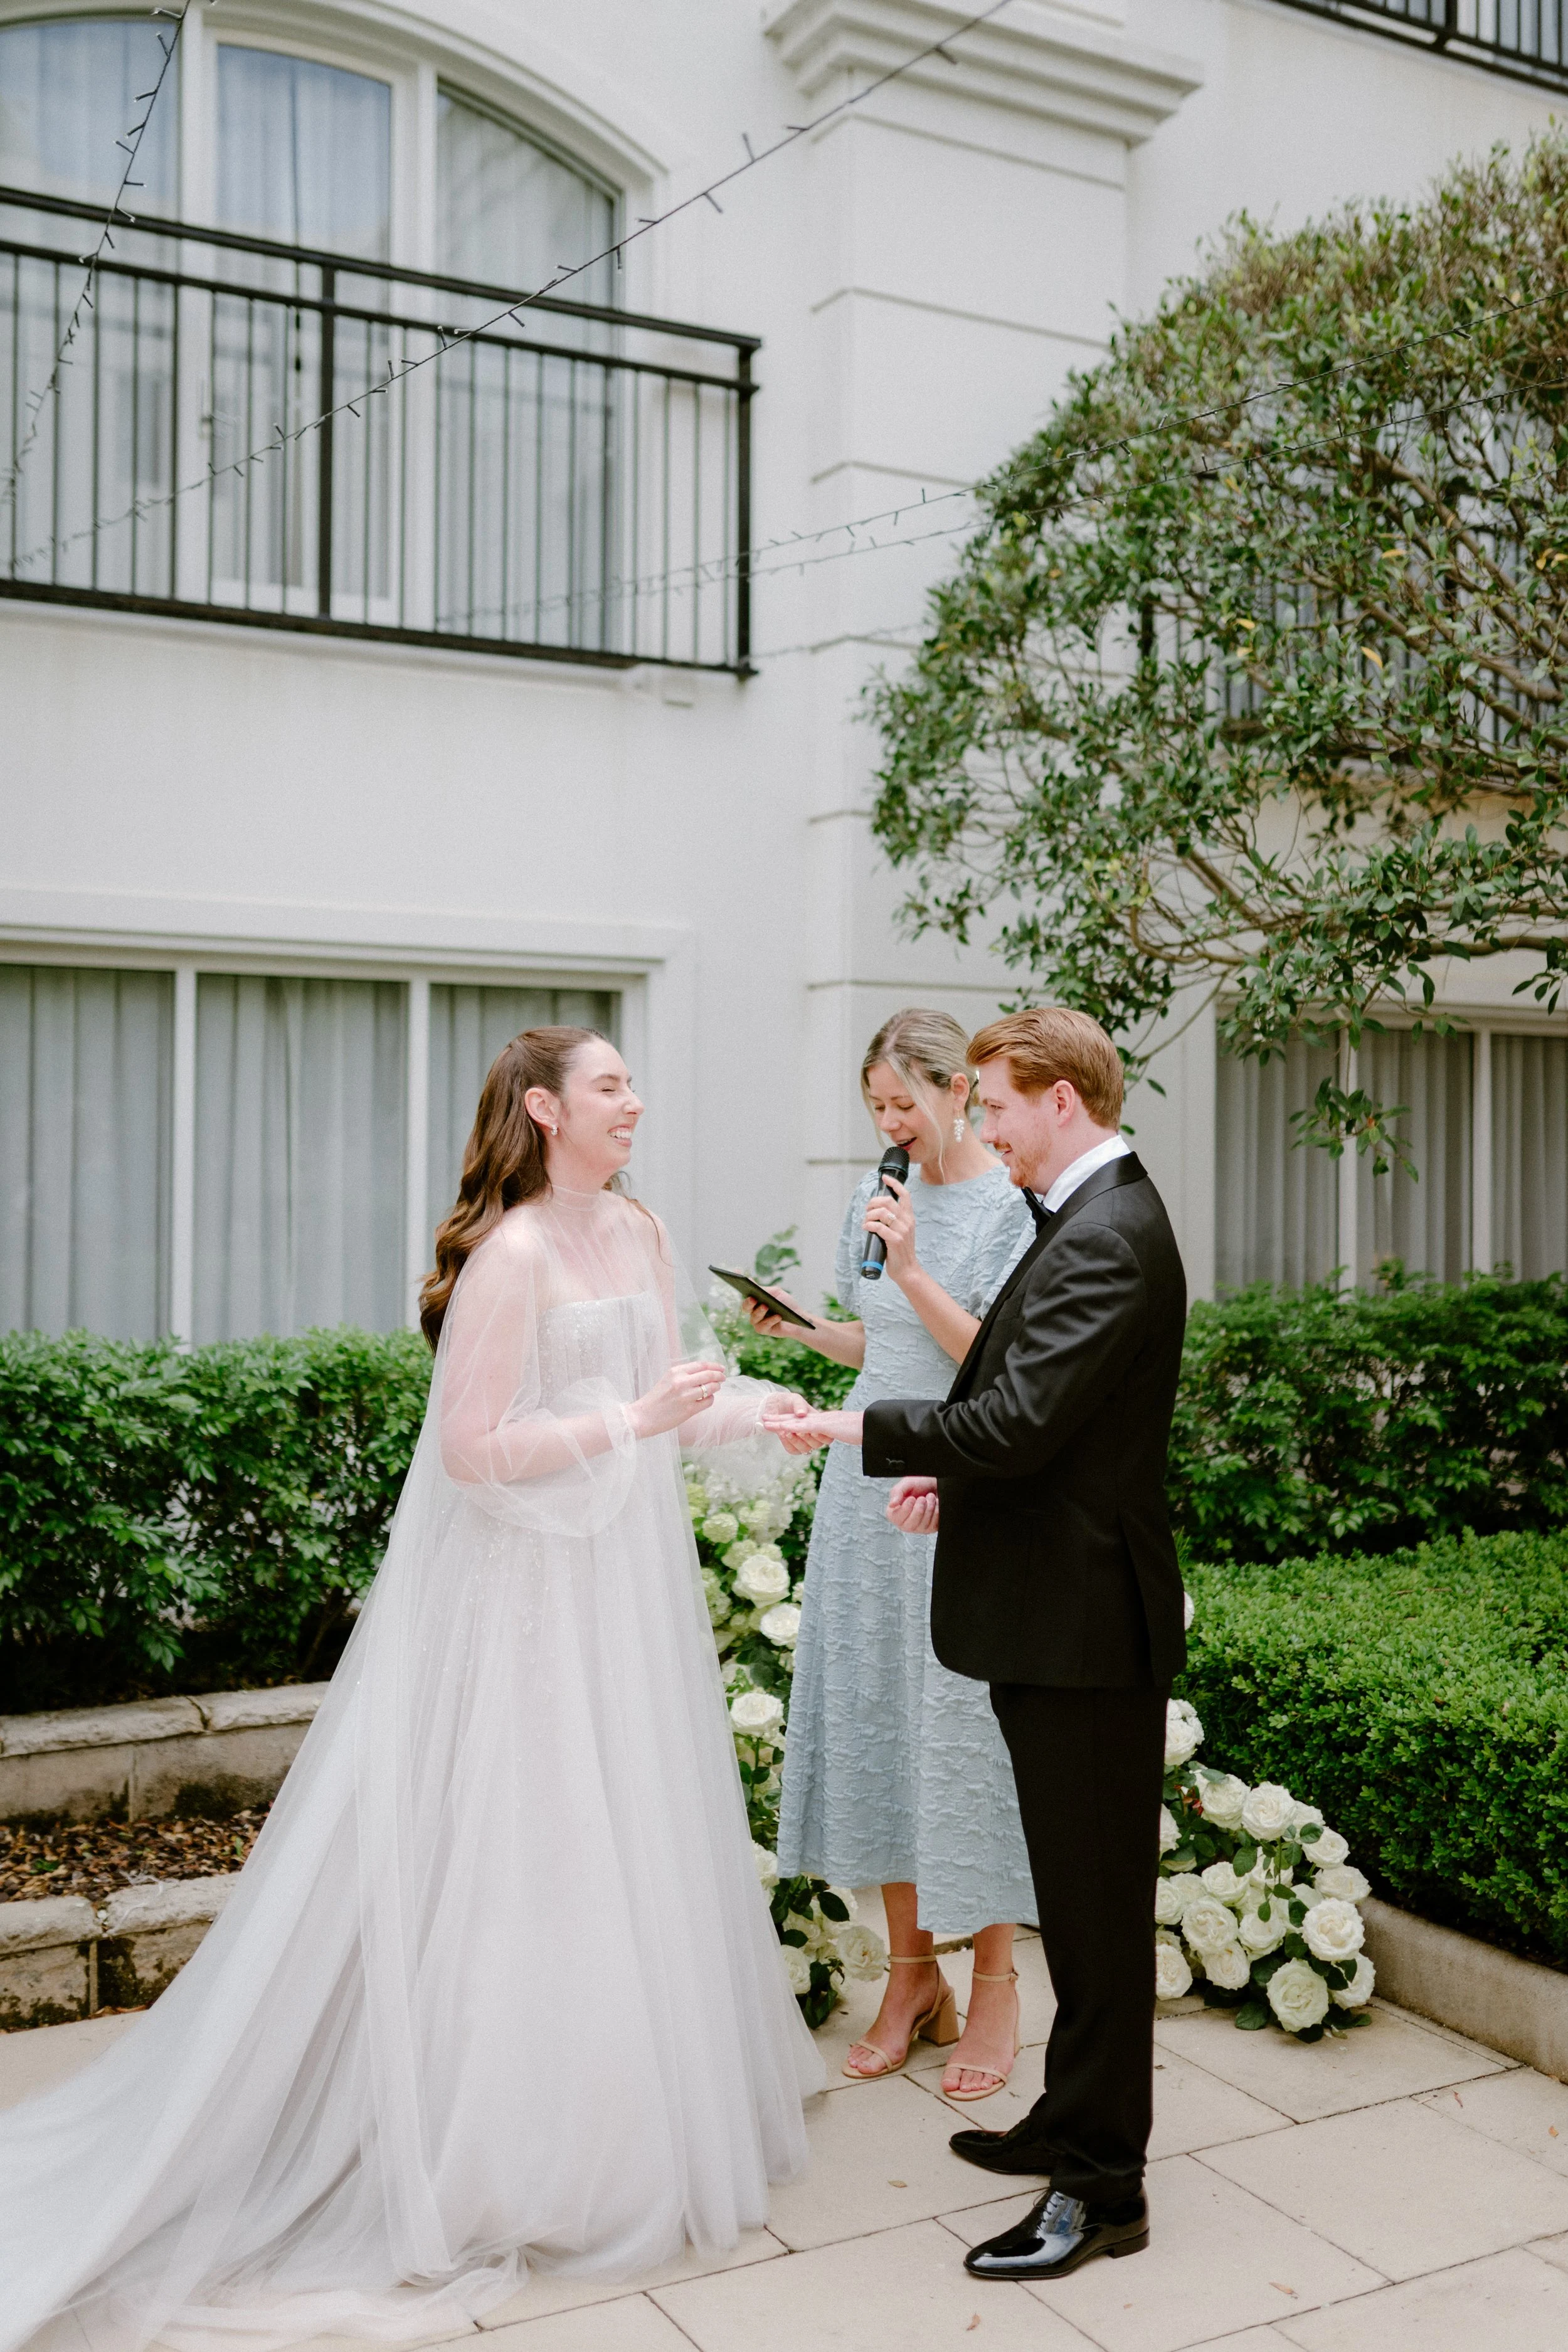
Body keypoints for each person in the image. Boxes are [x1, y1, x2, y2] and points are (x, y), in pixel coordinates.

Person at [0, 1028, 824, 2352]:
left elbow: (680, 1396)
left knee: (624, 1847)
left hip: (622, 1597)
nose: (636, 1103)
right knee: (526, 1854)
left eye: (630, 1085)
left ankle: (627, 2124)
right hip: (527, 1612)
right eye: (612, 1087)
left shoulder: (644, 1230)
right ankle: (504, 2155)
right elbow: (474, 1451)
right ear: (546, 1110)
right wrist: (635, 1422)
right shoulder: (512, 1258)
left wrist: (792, 1417)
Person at [766, 1005, 1187, 2285]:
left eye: (994, 1106)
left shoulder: (1108, 1233)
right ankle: (1067, 2124)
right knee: (1073, 1896)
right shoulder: (1083, 1217)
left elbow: (1007, 1420)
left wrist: (855, 1436)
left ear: (1058, 1098)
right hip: (1044, 1608)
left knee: (1099, 1923)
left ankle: (1101, 2192)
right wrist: (955, 1492)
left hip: (1085, 1630)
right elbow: (1052, 1428)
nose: (980, 1126)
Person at [746, 1009, 1034, 2099]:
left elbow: (996, 1361)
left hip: (954, 1483)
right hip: (865, 1479)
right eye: (876, 1108)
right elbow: (885, 1343)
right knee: (879, 1727)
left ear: (959, 1088)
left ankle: (999, 1984)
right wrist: (807, 1334)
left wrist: (913, 1264)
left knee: (963, 1732)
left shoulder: (1009, 1208)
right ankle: (911, 1981)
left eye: (904, 1103)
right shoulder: (879, 1197)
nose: (890, 1124)